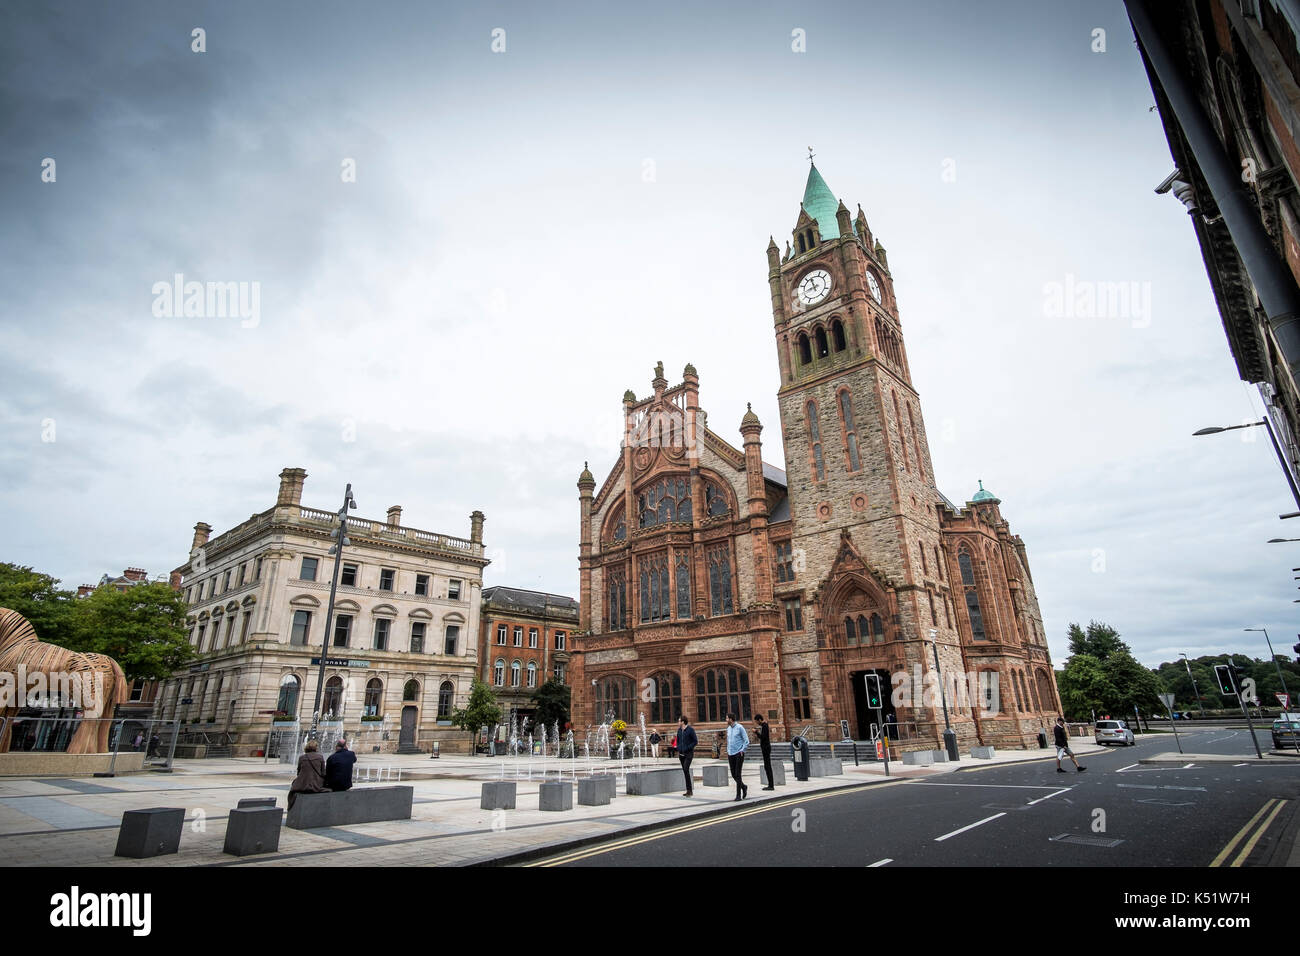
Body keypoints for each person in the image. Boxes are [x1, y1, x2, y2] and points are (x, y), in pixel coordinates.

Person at [289, 739, 327, 809]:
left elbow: (298, 772)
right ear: (316, 748)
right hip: (316, 784)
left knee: (293, 785)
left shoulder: (302, 757)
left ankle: (291, 807)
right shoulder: (320, 757)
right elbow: (323, 773)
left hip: (302, 784)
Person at [726, 713, 750, 800]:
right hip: (730, 753)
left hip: (738, 753)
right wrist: (728, 750)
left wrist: (742, 750)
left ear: (731, 719)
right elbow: (728, 741)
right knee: (733, 774)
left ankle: (738, 795)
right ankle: (743, 787)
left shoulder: (740, 727)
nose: (726, 720)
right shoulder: (728, 729)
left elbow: (746, 740)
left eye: (727, 718)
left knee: (738, 774)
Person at [676, 716, 697, 796]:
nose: (678, 723)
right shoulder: (679, 730)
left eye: (679, 721)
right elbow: (677, 740)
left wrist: (688, 748)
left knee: (686, 769)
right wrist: (678, 747)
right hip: (681, 754)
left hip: (688, 753)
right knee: (685, 771)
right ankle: (688, 790)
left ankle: (690, 790)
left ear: (683, 722)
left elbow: (695, 741)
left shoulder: (690, 730)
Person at [754, 713, 775, 790]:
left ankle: (771, 785)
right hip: (765, 748)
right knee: (767, 766)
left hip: (766, 748)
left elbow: (763, 737)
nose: (757, 723)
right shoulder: (764, 726)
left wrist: (756, 732)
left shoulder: (765, 726)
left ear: (760, 719)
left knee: (767, 766)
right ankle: (770, 784)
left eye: (757, 721)